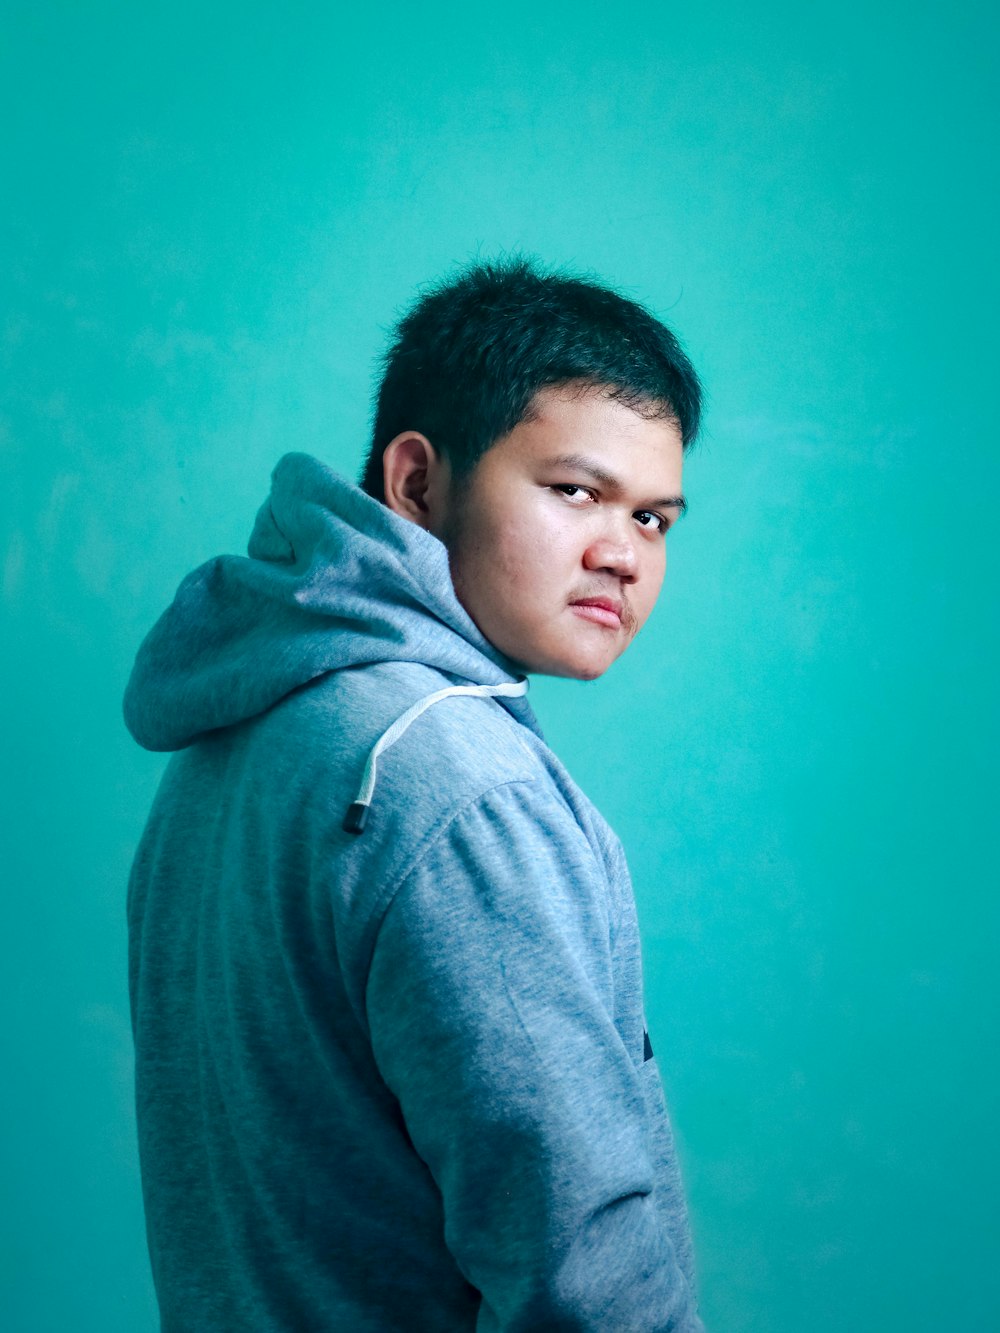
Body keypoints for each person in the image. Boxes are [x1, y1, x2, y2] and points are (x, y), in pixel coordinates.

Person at [124, 256, 705, 1331]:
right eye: (576, 491)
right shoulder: (460, 790)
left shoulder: (234, 736)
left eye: (654, 520)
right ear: (417, 482)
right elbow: (579, 1276)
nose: (622, 555)